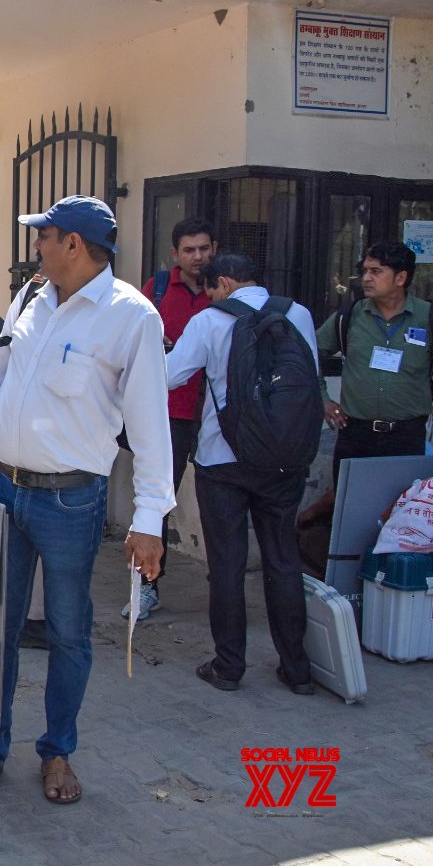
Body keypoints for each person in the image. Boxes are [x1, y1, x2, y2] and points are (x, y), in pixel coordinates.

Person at [0, 195, 172, 806]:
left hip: (71, 504)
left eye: (43, 235)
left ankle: (58, 752)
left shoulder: (132, 317)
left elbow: (152, 427)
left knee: (70, 634)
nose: (36, 245)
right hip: (1, 489)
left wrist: (149, 520)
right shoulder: (29, 300)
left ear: (72, 243)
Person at [165, 253, 320, 695]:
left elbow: (171, 377)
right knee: (283, 561)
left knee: (228, 566)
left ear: (225, 283)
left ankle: (229, 667)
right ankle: (296, 669)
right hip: (284, 459)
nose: (211, 297)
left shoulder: (210, 319)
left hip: (223, 461)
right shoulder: (298, 314)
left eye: (213, 288)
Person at [317, 242, 433, 483]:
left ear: (400, 278)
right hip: (355, 433)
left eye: (376, 271)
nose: (366, 278)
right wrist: (323, 398)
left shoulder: (430, 317)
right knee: (352, 511)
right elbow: (306, 356)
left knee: (400, 512)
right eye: (365, 271)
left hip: (406, 436)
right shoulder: (349, 317)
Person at [125, 219, 218, 621]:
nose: (198, 257)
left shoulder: (226, 291)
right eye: (189, 250)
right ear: (175, 254)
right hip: (169, 417)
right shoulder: (158, 290)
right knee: (156, 504)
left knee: (220, 507)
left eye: (203, 249)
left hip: (218, 418)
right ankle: (146, 589)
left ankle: (225, 591)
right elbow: (132, 337)